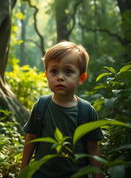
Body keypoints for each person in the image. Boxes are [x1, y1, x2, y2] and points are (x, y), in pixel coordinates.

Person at [20, 41, 104, 178]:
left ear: (81, 78)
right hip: (41, 174)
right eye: (54, 71)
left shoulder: (87, 111)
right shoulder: (41, 106)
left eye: (68, 71)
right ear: (46, 75)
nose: (60, 77)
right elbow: (31, 138)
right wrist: (23, 172)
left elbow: (93, 148)